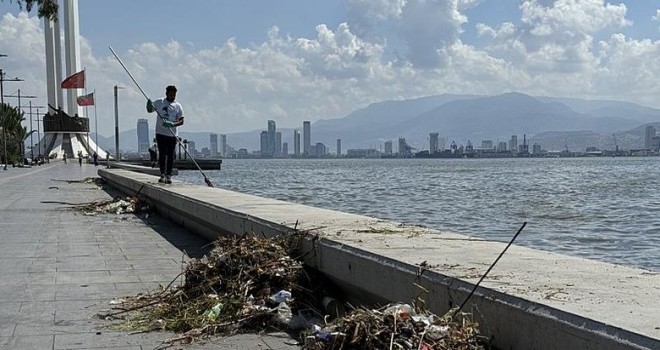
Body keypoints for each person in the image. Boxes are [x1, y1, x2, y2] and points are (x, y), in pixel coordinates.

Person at [147, 85, 184, 184]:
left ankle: (168, 175)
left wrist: (173, 124)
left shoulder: (178, 106)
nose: (172, 96)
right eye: (171, 94)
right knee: (162, 154)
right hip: (160, 133)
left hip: (172, 135)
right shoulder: (160, 102)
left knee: (171, 155)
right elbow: (150, 110)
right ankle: (162, 174)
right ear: (166, 93)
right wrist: (149, 105)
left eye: (174, 95)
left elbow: (181, 121)